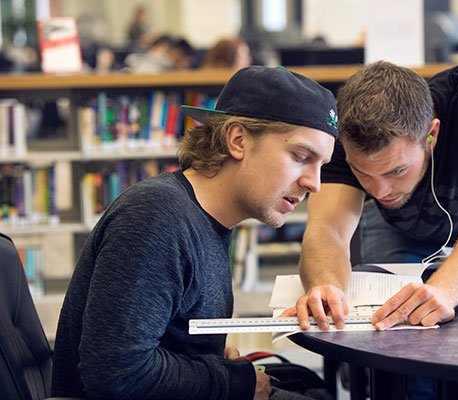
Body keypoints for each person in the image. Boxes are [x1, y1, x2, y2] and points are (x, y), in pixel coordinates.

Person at [51, 66, 338, 399]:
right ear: (238, 140)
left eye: (322, 166)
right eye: (302, 157)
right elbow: (117, 373)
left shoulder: (205, 221)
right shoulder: (157, 217)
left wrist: (211, 360)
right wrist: (233, 382)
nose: (314, 184)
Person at [288, 61, 458, 332]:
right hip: (401, 229)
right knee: (394, 335)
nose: (380, 191)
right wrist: (326, 285)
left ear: (431, 134)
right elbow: (327, 230)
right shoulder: (340, 131)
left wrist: (445, 289)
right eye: (362, 173)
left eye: (396, 171)